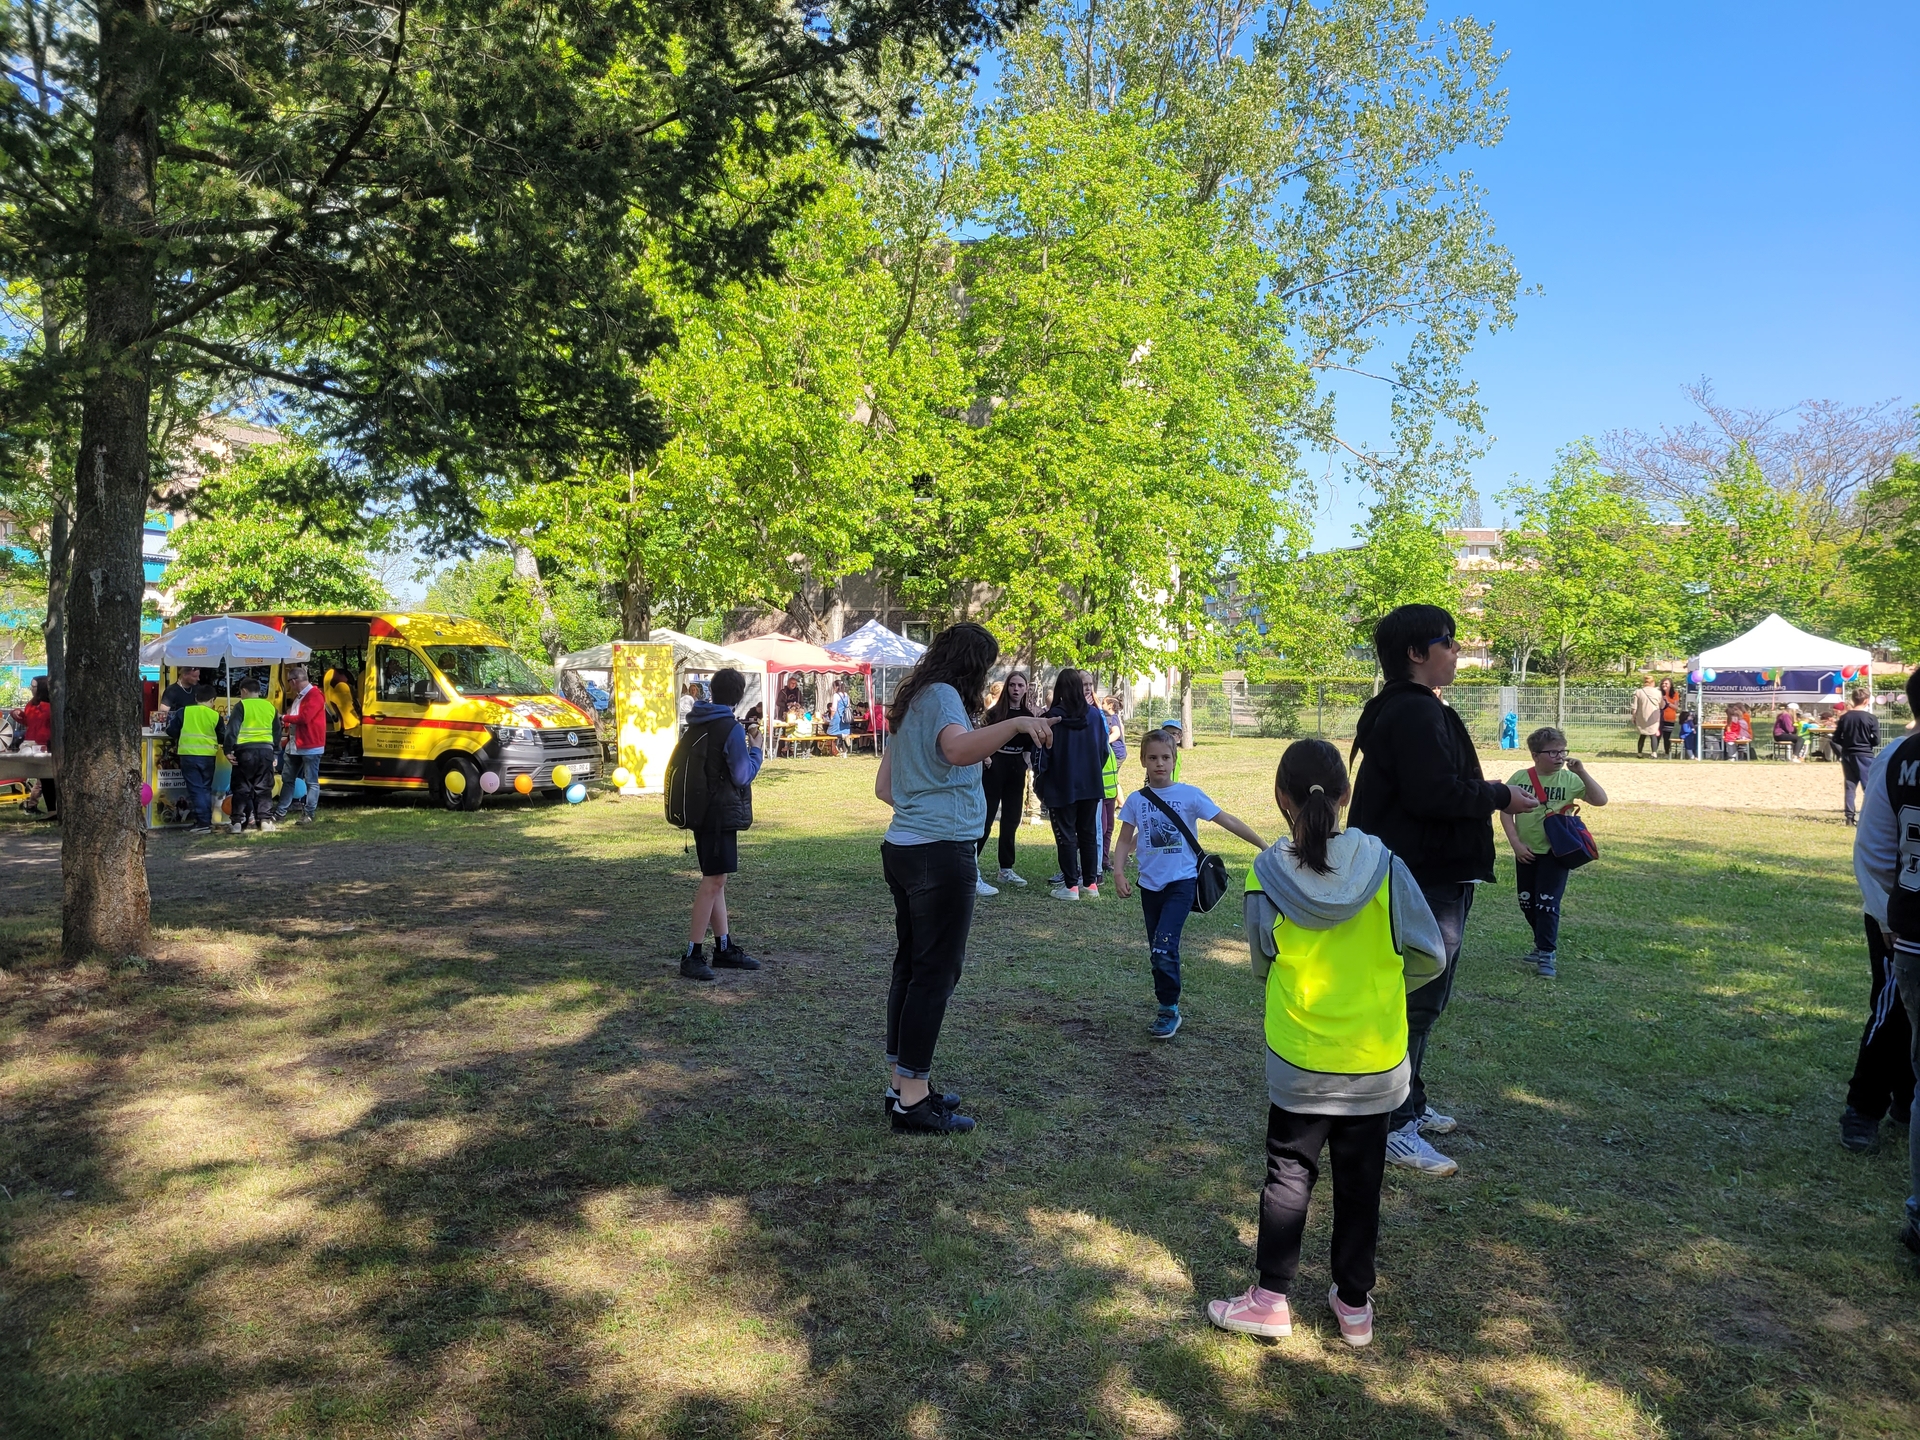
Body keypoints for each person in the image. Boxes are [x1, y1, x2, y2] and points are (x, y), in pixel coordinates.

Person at [1208, 739, 1447, 1347]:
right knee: (1362, 1180)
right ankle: (1354, 1304)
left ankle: (1270, 1301)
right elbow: (1429, 953)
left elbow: (1262, 962)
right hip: (1376, 1057)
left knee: (1288, 1174)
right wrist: (1383, 990)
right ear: (1346, 794)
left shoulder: (1266, 873)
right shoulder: (1385, 865)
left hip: (1301, 1055)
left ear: (1280, 798)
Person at [1348, 604, 1537, 1177]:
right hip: (1421, 879)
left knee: (1419, 1000)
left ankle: (1410, 1100)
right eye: (1448, 642)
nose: (1456, 651)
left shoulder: (1411, 707)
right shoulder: (1411, 711)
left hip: (1427, 874)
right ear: (1415, 653)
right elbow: (1433, 794)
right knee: (1414, 1000)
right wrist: (1499, 795)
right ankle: (1392, 1125)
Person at [875, 623, 1055, 1134]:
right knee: (935, 973)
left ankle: (902, 1085)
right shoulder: (944, 698)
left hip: (904, 847)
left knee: (913, 967)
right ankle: (912, 1103)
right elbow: (956, 751)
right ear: (973, 666)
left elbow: (886, 786)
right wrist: (1017, 724)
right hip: (939, 853)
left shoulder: (912, 702)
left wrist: (925, 800)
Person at [1112, 728, 1267, 1039]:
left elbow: (1227, 820)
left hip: (1182, 884)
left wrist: (1263, 845)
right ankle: (1166, 1001)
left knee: (1163, 946)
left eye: (1165, 757)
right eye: (1152, 758)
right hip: (1149, 887)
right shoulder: (1136, 800)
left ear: (1174, 760)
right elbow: (1126, 838)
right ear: (1142, 760)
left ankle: (1168, 1009)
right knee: (1157, 951)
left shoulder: (1189, 796)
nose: (1159, 763)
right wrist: (1118, 871)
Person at [1850, 666, 1920, 1255]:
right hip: (1902, 920)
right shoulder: (1898, 757)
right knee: (1891, 1010)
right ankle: (1863, 1106)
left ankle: (1904, 1098)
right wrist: (1887, 918)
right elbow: (1874, 849)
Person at [1500, 726, 1609, 979]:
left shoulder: (1570, 779)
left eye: (1562, 751)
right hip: (1527, 851)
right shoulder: (1520, 777)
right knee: (1527, 901)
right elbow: (1506, 811)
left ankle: (1547, 953)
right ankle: (1541, 944)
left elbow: (1600, 800)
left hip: (1557, 852)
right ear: (1535, 755)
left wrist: (1581, 772)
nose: (1560, 757)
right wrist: (1516, 844)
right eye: (1553, 752)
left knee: (1547, 903)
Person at [677, 667, 765, 981]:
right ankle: (692, 954)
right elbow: (742, 775)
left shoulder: (699, 719)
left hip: (700, 811)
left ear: (712, 691)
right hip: (719, 814)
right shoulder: (728, 727)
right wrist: (757, 749)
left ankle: (723, 947)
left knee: (717, 879)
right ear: (739, 697)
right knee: (713, 881)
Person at [1032, 668, 1112, 900]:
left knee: (1066, 835)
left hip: (1061, 785)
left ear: (1059, 689)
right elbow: (1104, 750)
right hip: (1091, 784)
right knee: (1088, 833)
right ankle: (1091, 884)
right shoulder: (1094, 716)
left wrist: (1040, 780)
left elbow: (1041, 755)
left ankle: (1070, 886)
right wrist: (1092, 771)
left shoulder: (1051, 718)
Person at [977, 670, 1037, 888]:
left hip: (1016, 768)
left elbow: (1031, 744)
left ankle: (1006, 869)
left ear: (1026, 688)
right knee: (986, 818)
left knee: (1011, 819)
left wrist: (1026, 762)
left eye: (1020, 685)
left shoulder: (1028, 715)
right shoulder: (995, 714)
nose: (1016, 689)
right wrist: (987, 758)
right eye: (1012, 685)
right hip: (995, 765)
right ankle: (971, 865)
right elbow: (981, 737)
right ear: (1007, 688)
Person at [219, 676, 283, 834]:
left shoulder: (241, 705)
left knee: (241, 787)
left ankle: (237, 823)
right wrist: (275, 753)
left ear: (244, 691)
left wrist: (227, 750)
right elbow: (277, 731)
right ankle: (265, 822)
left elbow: (232, 730)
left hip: (245, 751)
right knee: (264, 787)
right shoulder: (270, 706)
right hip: (266, 751)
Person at [271, 664, 328, 826]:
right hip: (295, 745)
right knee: (288, 779)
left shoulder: (314, 695)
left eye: (289, 682)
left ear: (294, 681)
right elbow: (298, 717)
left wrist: (283, 718)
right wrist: (287, 726)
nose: (290, 686)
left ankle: (308, 813)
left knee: (311, 781)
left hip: (310, 746)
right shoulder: (301, 696)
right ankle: (280, 813)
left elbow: (304, 718)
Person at [166, 680, 222, 834]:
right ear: (212, 700)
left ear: (196, 698)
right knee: (205, 789)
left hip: (189, 755)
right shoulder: (216, 716)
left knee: (196, 789)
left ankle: (203, 823)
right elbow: (222, 736)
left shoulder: (183, 712)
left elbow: (171, 731)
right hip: (208, 757)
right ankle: (205, 821)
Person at [1836, 687, 1881, 825]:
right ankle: (1870, 815)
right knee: (1868, 786)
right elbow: (1877, 740)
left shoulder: (1844, 717)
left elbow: (1836, 738)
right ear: (1866, 701)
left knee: (1850, 785)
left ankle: (1849, 817)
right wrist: (1867, 743)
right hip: (1864, 754)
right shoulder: (1871, 718)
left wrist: (1847, 744)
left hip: (1848, 754)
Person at [1097, 689, 1129, 878]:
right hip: (1099, 794)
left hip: (1109, 793)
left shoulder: (1110, 747)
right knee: (1100, 828)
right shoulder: (1098, 748)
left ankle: (1104, 860)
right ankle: (1097, 862)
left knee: (1108, 828)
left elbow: (1117, 732)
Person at [19, 676, 55, 818]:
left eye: (33, 686)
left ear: (41, 688)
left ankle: (39, 806)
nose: (31, 689)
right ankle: (43, 807)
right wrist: (19, 716)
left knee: (46, 778)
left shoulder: (50, 707)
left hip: (45, 745)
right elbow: (29, 722)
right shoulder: (31, 704)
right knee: (43, 778)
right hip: (31, 744)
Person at [1631, 676, 1662, 757]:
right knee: (1653, 734)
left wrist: (1634, 716)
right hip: (1654, 716)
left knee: (1642, 734)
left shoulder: (1638, 692)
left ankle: (1639, 753)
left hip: (1642, 716)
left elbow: (1634, 707)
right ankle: (1654, 753)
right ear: (1653, 682)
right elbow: (1662, 705)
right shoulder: (1658, 692)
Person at [824, 677, 853, 756]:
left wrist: (832, 717)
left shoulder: (836, 695)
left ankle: (842, 736)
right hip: (845, 717)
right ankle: (844, 753)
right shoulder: (846, 695)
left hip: (838, 717)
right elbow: (848, 705)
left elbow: (834, 708)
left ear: (836, 687)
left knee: (830, 732)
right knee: (844, 733)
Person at [1657, 678, 1683, 758]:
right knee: (1657, 736)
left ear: (1670, 685)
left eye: (1666, 683)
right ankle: (1654, 752)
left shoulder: (1675, 694)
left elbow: (1676, 707)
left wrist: (1667, 702)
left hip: (1670, 719)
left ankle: (1667, 753)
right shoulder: (1658, 693)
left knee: (1666, 737)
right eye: (1663, 683)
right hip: (1659, 718)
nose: (1664, 685)